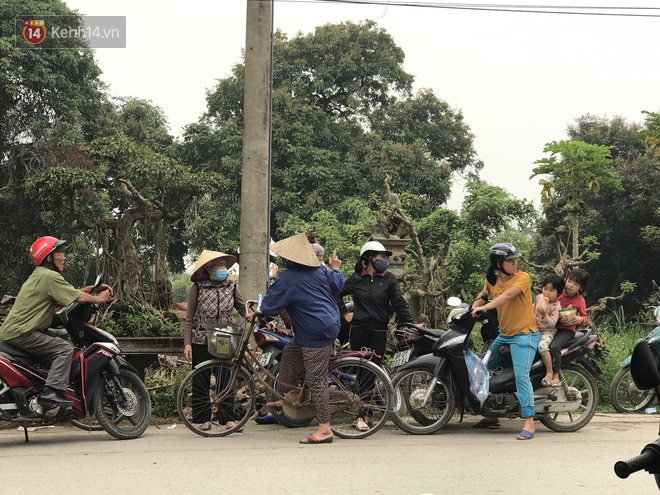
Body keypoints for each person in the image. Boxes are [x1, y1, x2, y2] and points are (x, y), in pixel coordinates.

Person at [0, 236, 113, 407]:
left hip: (18, 330)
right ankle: (51, 391)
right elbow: (80, 298)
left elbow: (69, 294)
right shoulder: (50, 276)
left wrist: (90, 289)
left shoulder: (40, 275)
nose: (64, 257)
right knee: (64, 349)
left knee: (64, 336)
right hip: (23, 332)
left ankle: (48, 379)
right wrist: (99, 298)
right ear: (49, 258)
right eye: (60, 252)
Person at [259, 233, 344, 444]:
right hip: (325, 325)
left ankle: (325, 429)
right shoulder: (319, 271)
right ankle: (286, 398)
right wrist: (335, 267)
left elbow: (270, 306)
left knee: (316, 379)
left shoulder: (289, 277)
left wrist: (259, 313)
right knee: (290, 353)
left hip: (315, 330)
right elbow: (338, 284)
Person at [337, 240, 413, 432]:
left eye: (386, 257)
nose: (386, 260)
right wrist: (345, 313)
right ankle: (363, 414)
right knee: (362, 372)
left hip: (379, 332)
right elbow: (335, 295)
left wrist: (410, 324)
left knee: (373, 372)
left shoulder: (389, 279)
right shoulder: (356, 278)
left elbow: (399, 303)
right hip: (359, 332)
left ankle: (364, 414)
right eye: (382, 257)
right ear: (370, 258)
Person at [471, 243, 540, 441]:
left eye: (515, 259)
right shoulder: (491, 280)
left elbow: (506, 298)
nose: (515, 263)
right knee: (484, 371)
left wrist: (483, 309)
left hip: (524, 335)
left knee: (521, 375)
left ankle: (529, 421)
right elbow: (483, 296)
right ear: (498, 263)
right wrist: (472, 309)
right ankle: (492, 415)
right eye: (510, 260)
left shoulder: (522, 278)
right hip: (505, 334)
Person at [183, 250, 248, 431]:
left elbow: (242, 309)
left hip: (224, 338)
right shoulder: (198, 287)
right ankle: (204, 419)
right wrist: (187, 343)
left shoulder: (231, 286)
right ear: (209, 269)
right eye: (219, 266)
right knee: (201, 378)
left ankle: (227, 418)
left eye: (224, 266)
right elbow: (189, 317)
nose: (223, 269)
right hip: (200, 337)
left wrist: (252, 317)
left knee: (225, 377)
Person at [548, 269, 590, 386]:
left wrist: (579, 319)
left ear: (580, 288)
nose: (570, 285)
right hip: (551, 327)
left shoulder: (580, 300)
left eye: (575, 284)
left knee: (555, 346)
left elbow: (585, 317)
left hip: (567, 331)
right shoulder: (557, 294)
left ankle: (556, 376)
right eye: (569, 280)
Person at [535, 275, 565, 387]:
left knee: (542, 346)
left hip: (547, 331)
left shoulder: (557, 306)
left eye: (551, 290)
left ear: (558, 293)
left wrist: (545, 315)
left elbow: (552, 323)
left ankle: (549, 372)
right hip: (534, 328)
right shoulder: (539, 297)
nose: (547, 293)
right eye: (545, 288)